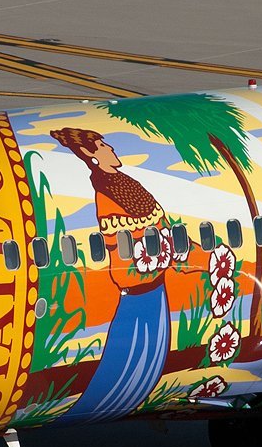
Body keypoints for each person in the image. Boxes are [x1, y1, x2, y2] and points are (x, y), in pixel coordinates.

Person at [49, 128, 174, 425]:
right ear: (92, 155)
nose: (111, 149)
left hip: (154, 287)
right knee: (131, 363)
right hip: (140, 291)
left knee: (146, 362)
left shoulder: (125, 184)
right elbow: (119, 247)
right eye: (104, 145)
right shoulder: (107, 194)